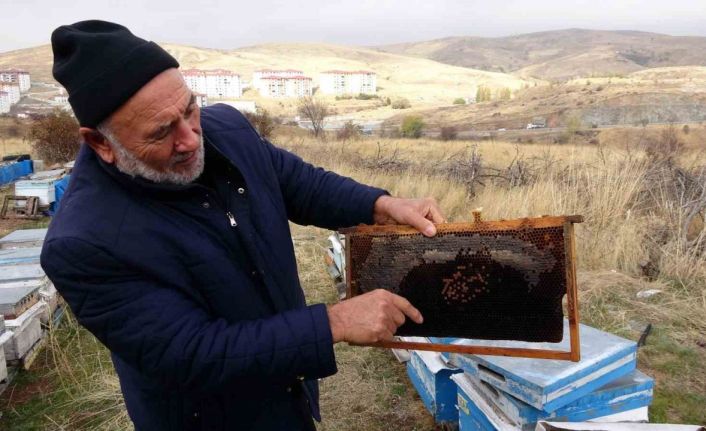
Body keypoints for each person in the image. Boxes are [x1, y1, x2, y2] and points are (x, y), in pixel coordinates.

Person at [41, 20, 445, 431]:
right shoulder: (82, 243)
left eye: (189, 109)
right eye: (162, 131)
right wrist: (333, 322)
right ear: (100, 143)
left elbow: (297, 183)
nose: (191, 138)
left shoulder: (227, 129)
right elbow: (192, 353)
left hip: (288, 392)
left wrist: (379, 204)